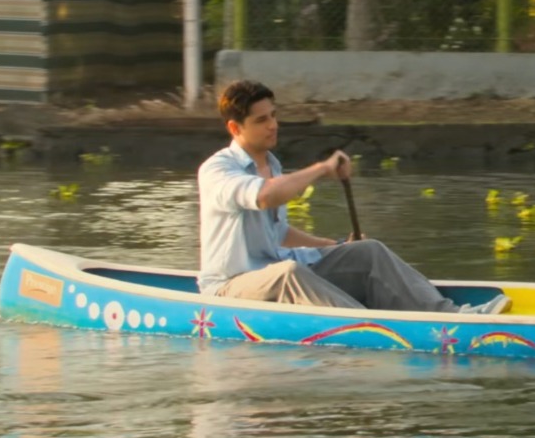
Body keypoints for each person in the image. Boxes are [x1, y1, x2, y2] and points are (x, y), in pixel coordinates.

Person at [197, 80, 512, 315]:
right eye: (261, 120)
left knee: (368, 251)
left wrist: (332, 246)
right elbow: (265, 197)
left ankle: (452, 317)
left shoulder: (272, 163)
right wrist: (321, 168)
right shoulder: (217, 170)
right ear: (235, 127)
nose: (273, 125)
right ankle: (371, 328)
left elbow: (277, 232)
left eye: (274, 115)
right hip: (229, 288)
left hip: (272, 272)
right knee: (288, 274)